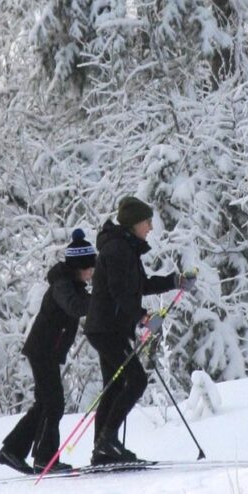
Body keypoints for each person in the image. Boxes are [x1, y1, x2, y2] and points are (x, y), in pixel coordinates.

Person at [84, 195, 189, 465]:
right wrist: (143, 317)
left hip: (109, 327)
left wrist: (174, 281)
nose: (151, 227)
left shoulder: (126, 248)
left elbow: (139, 285)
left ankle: (103, 450)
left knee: (116, 384)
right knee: (136, 380)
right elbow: (120, 293)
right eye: (147, 221)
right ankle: (107, 442)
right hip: (108, 328)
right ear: (133, 223)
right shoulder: (117, 250)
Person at [0, 228, 97, 475]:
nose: (92, 272)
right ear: (78, 266)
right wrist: (99, 299)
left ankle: (12, 450)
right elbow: (75, 307)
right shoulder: (63, 286)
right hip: (43, 351)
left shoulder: (72, 284)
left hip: (46, 351)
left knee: (45, 403)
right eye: (90, 268)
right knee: (54, 404)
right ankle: (45, 458)